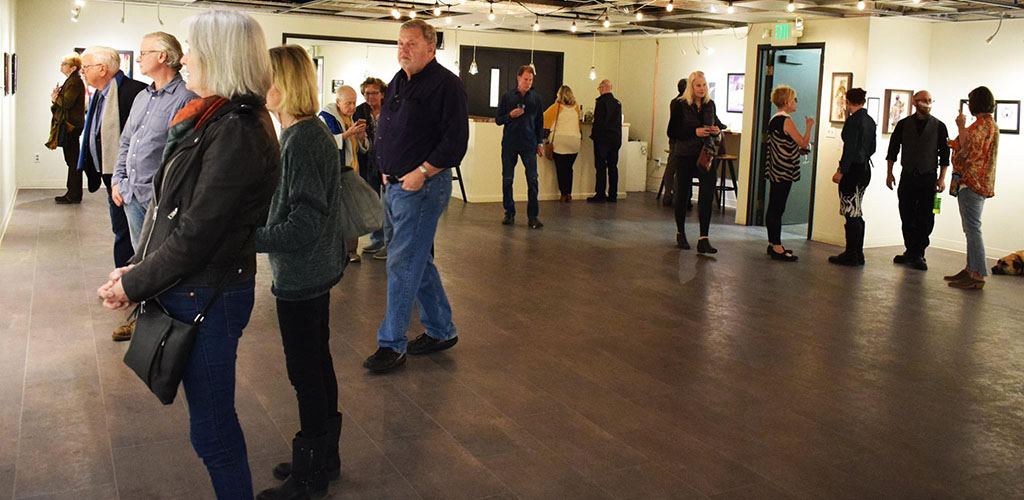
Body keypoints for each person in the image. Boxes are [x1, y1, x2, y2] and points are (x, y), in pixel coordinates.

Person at [96, 10, 279, 498]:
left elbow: (199, 231)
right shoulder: (216, 115)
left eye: (195, 49)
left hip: (210, 294)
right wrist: (136, 266)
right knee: (210, 428)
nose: (188, 58)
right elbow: (172, 211)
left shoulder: (238, 127)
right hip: (196, 287)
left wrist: (133, 284)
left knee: (214, 432)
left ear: (221, 56)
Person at [256, 44, 347, 500]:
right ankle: (323, 458)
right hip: (309, 272)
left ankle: (311, 474)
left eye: (266, 77)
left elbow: (305, 221)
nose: (260, 86)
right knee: (316, 364)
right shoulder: (300, 134)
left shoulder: (304, 138)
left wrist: (249, 239)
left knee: (306, 371)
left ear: (286, 83)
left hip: (303, 275)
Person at [362, 19, 468, 373]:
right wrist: (384, 167)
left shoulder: (446, 85)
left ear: (430, 47)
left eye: (410, 43)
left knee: (402, 263)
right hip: (393, 186)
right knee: (415, 260)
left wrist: (421, 172)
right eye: (400, 42)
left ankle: (392, 343)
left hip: (420, 189)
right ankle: (440, 329)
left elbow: (455, 142)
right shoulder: (397, 82)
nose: (403, 48)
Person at [108, 32, 197, 342]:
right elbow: (127, 141)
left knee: (163, 262)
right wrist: (118, 179)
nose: (140, 57)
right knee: (140, 260)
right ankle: (144, 319)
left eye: (145, 52)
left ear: (162, 56)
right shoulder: (142, 97)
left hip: (162, 200)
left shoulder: (187, 97)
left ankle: (166, 323)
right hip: (133, 194)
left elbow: (182, 155)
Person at [77, 46, 147, 269]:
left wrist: (122, 177)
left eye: (85, 67)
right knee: (120, 228)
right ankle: (124, 276)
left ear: (102, 69)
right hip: (112, 176)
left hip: (129, 180)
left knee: (130, 231)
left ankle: (130, 279)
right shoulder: (101, 93)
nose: (83, 72)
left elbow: (136, 141)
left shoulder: (135, 93)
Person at [885, 90, 950, 271]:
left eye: (930, 100)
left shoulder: (939, 126)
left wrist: (942, 178)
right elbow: (893, 150)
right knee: (906, 213)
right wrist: (889, 173)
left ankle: (919, 252)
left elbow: (945, 155)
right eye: (924, 101)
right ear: (915, 103)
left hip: (928, 178)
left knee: (926, 216)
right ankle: (910, 250)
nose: (927, 104)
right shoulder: (904, 125)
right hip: (907, 176)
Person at [945, 86, 998, 290]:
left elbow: (969, 149)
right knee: (970, 228)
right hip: (974, 182)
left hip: (973, 182)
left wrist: (960, 128)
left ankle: (977, 274)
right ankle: (970, 268)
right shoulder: (986, 125)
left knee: (973, 229)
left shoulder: (983, 126)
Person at [668, 70, 723, 254]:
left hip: (705, 155)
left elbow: (718, 124)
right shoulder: (679, 105)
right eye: (698, 85)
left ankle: (703, 238)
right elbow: (672, 132)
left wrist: (716, 130)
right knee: (683, 194)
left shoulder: (710, 105)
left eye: (704, 85)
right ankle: (680, 232)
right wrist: (694, 132)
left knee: (707, 195)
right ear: (691, 87)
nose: (702, 88)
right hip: (685, 154)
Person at [319, 85, 368, 263]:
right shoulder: (325, 118)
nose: (353, 107)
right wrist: (347, 134)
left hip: (353, 172)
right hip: (336, 173)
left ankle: (351, 250)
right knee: (336, 214)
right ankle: (333, 251)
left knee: (352, 214)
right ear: (338, 102)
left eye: (354, 103)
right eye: (348, 103)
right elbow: (324, 142)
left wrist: (361, 136)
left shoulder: (352, 117)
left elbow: (360, 148)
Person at [764, 85, 814, 262]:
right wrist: (809, 127)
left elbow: (782, 145)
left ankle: (773, 243)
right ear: (786, 101)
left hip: (775, 169)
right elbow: (802, 142)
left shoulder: (773, 120)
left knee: (774, 206)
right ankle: (777, 246)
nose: (796, 102)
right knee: (778, 207)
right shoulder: (786, 120)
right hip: (784, 170)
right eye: (794, 99)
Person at [829, 88, 875, 266]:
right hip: (864, 169)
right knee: (856, 210)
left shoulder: (853, 121)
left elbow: (850, 150)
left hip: (853, 171)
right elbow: (872, 148)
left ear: (848, 102)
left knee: (851, 212)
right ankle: (858, 253)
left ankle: (851, 253)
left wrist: (841, 170)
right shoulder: (870, 121)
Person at [495, 65, 544, 228]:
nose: (528, 83)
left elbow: (539, 123)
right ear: (518, 78)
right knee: (507, 179)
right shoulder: (507, 97)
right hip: (510, 143)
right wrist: (510, 115)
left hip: (529, 144)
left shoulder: (536, 99)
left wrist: (540, 143)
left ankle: (533, 216)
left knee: (533, 179)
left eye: (530, 80)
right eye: (525, 79)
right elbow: (498, 119)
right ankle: (509, 213)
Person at [353, 77, 388, 258]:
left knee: (389, 203)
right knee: (374, 203)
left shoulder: (390, 109)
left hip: (388, 162)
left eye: (374, 93)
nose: (371, 96)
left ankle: (390, 243)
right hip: (369, 162)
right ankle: (377, 240)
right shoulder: (360, 111)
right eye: (367, 93)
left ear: (382, 94)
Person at [47, 53, 86, 204]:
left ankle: (74, 194)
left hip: (71, 126)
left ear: (73, 67)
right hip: (70, 125)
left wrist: (55, 98)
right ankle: (72, 192)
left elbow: (67, 103)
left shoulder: (75, 82)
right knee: (71, 160)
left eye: (64, 63)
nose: (61, 65)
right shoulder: (71, 81)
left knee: (73, 160)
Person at [543, 85, 581, 202]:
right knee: (569, 168)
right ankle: (569, 193)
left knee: (561, 168)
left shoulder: (556, 107)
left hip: (560, 141)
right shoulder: (576, 107)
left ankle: (563, 194)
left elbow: (543, 120)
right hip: (575, 141)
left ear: (559, 95)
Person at [588, 79, 623, 203]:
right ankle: (613, 194)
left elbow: (599, 122)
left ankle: (600, 194)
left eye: (599, 88)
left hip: (602, 140)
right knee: (613, 167)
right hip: (615, 139)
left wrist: (594, 136)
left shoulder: (601, 102)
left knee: (601, 167)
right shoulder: (618, 103)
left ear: (602, 88)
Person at [662, 77, 687, 207]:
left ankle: (668, 195)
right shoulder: (685, 102)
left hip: (673, 138)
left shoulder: (674, 101)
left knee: (671, 167)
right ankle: (678, 196)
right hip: (681, 139)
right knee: (677, 168)